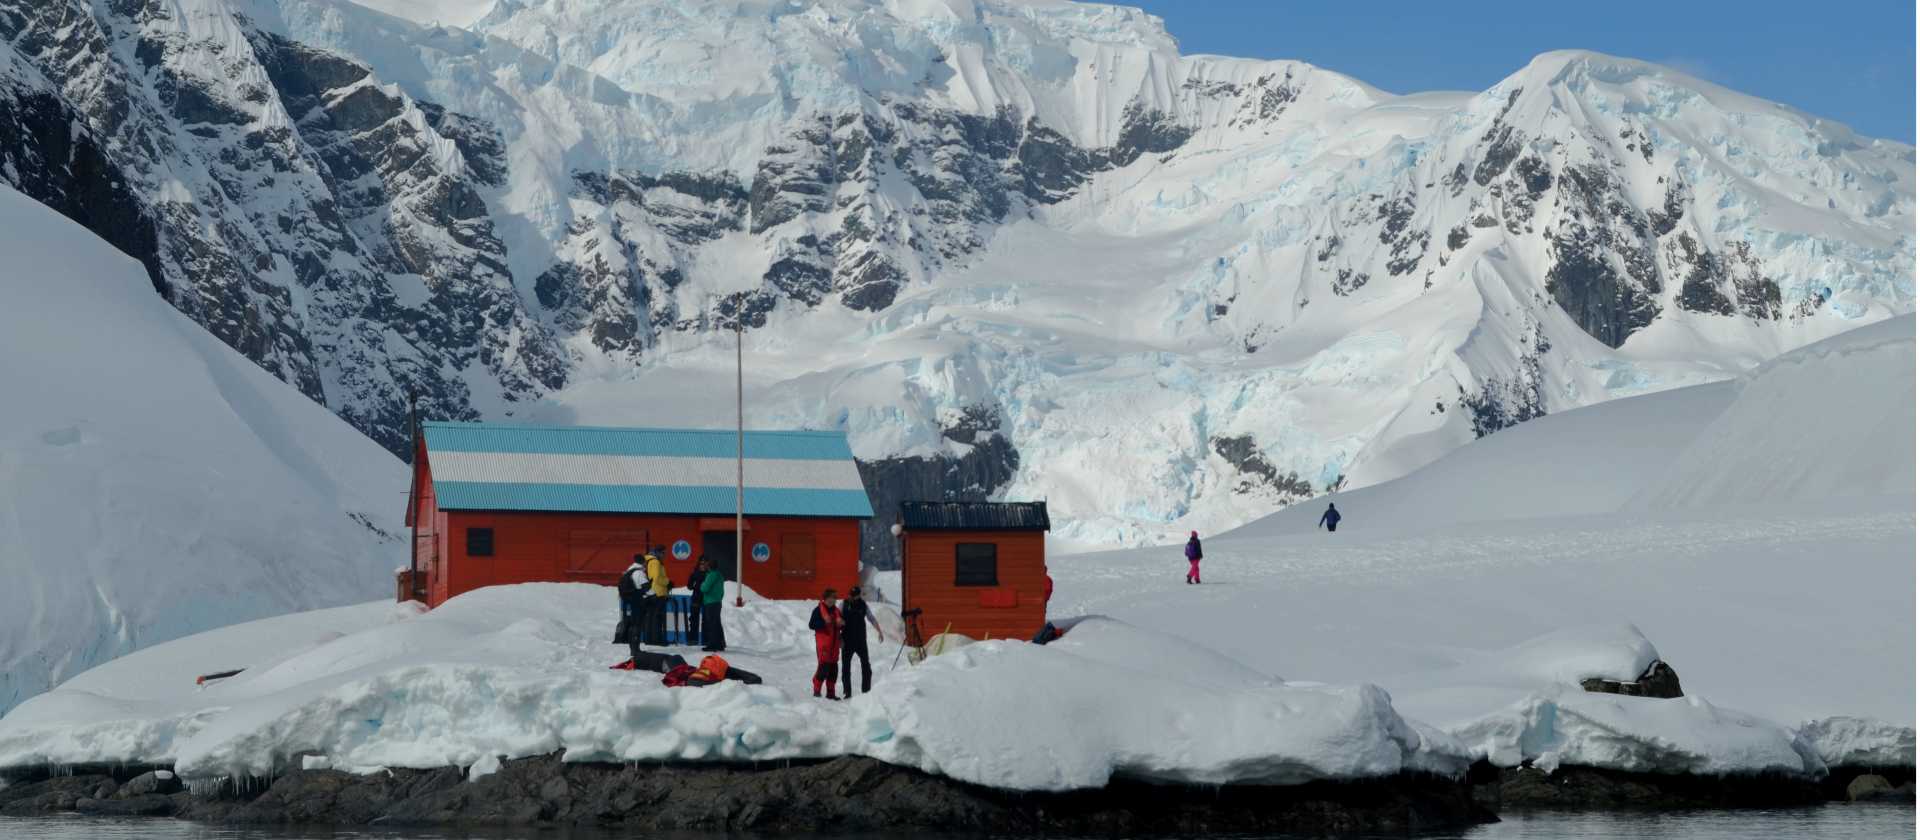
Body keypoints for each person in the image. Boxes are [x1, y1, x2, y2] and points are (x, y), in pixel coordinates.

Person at [838, 586, 885, 697]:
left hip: (860, 641)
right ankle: (847, 692)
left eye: (854, 595)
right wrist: (838, 637)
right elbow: (837, 620)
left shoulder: (863, 605)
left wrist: (879, 631)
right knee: (846, 668)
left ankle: (866, 691)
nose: (851, 597)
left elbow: (871, 618)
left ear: (858, 595)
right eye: (850, 594)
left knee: (866, 667)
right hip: (846, 641)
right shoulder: (843, 604)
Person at [808, 588, 844, 699]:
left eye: (834, 598)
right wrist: (824, 623)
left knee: (833, 670)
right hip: (824, 645)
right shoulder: (818, 610)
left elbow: (841, 626)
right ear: (825, 598)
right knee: (823, 668)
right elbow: (811, 625)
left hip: (834, 646)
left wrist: (842, 624)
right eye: (830, 598)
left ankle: (831, 693)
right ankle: (817, 691)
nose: (832, 600)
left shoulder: (837, 611)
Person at [619, 554, 650, 665]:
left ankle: (633, 648)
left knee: (633, 624)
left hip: (631, 601)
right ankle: (635, 649)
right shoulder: (639, 572)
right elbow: (646, 588)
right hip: (638, 601)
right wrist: (653, 594)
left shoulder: (629, 570)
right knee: (637, 624)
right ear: (643, 562)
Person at [697, 557, 728, 652]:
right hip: (717, 602)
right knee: (717, 623)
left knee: (711, 624)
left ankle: (712, 644)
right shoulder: (719, 575)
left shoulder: (711, 575)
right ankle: (720, 643)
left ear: (709, 567)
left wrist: (702, 584)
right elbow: (722, 591)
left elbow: (704, 588)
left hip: (710, 602)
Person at [643, 551, 671, 644]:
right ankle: (656, 640)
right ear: (659, 553)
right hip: (658, 593)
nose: (664, 556)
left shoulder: (649, 561)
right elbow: (657, 578)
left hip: (652, 592)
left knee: (650, 617)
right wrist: (667, 582)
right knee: (657, 618)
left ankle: (649, 639)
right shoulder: (655, 562)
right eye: (663, 553)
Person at [685, 555, 709, 646]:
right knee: (694, 619)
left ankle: (705, 640)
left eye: (704, 563)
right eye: (701, 563)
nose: (703, 565)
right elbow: (689, 586)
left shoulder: (709, 574)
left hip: (706, 599)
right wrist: (694, 585)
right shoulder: (695, 573)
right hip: (696, 598)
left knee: (706, 620)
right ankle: (693, 639)